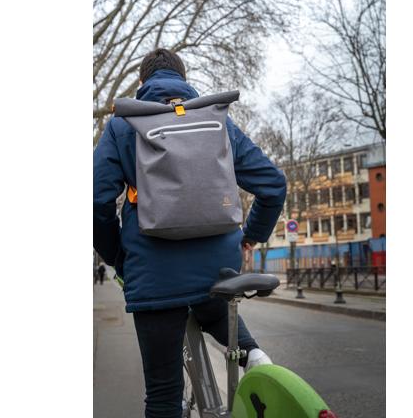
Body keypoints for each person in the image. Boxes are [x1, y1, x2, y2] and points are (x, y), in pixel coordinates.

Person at [93, 48, 286, 418]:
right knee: (216, 311)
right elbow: (273, 185)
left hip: (153, 277)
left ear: (141, 82)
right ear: (184, 79)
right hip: (218, 270)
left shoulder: (123, 125)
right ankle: (256, 358)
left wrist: (119, 257)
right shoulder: (217, 121)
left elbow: (96, 201)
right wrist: (250, 236)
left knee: (163, 395)